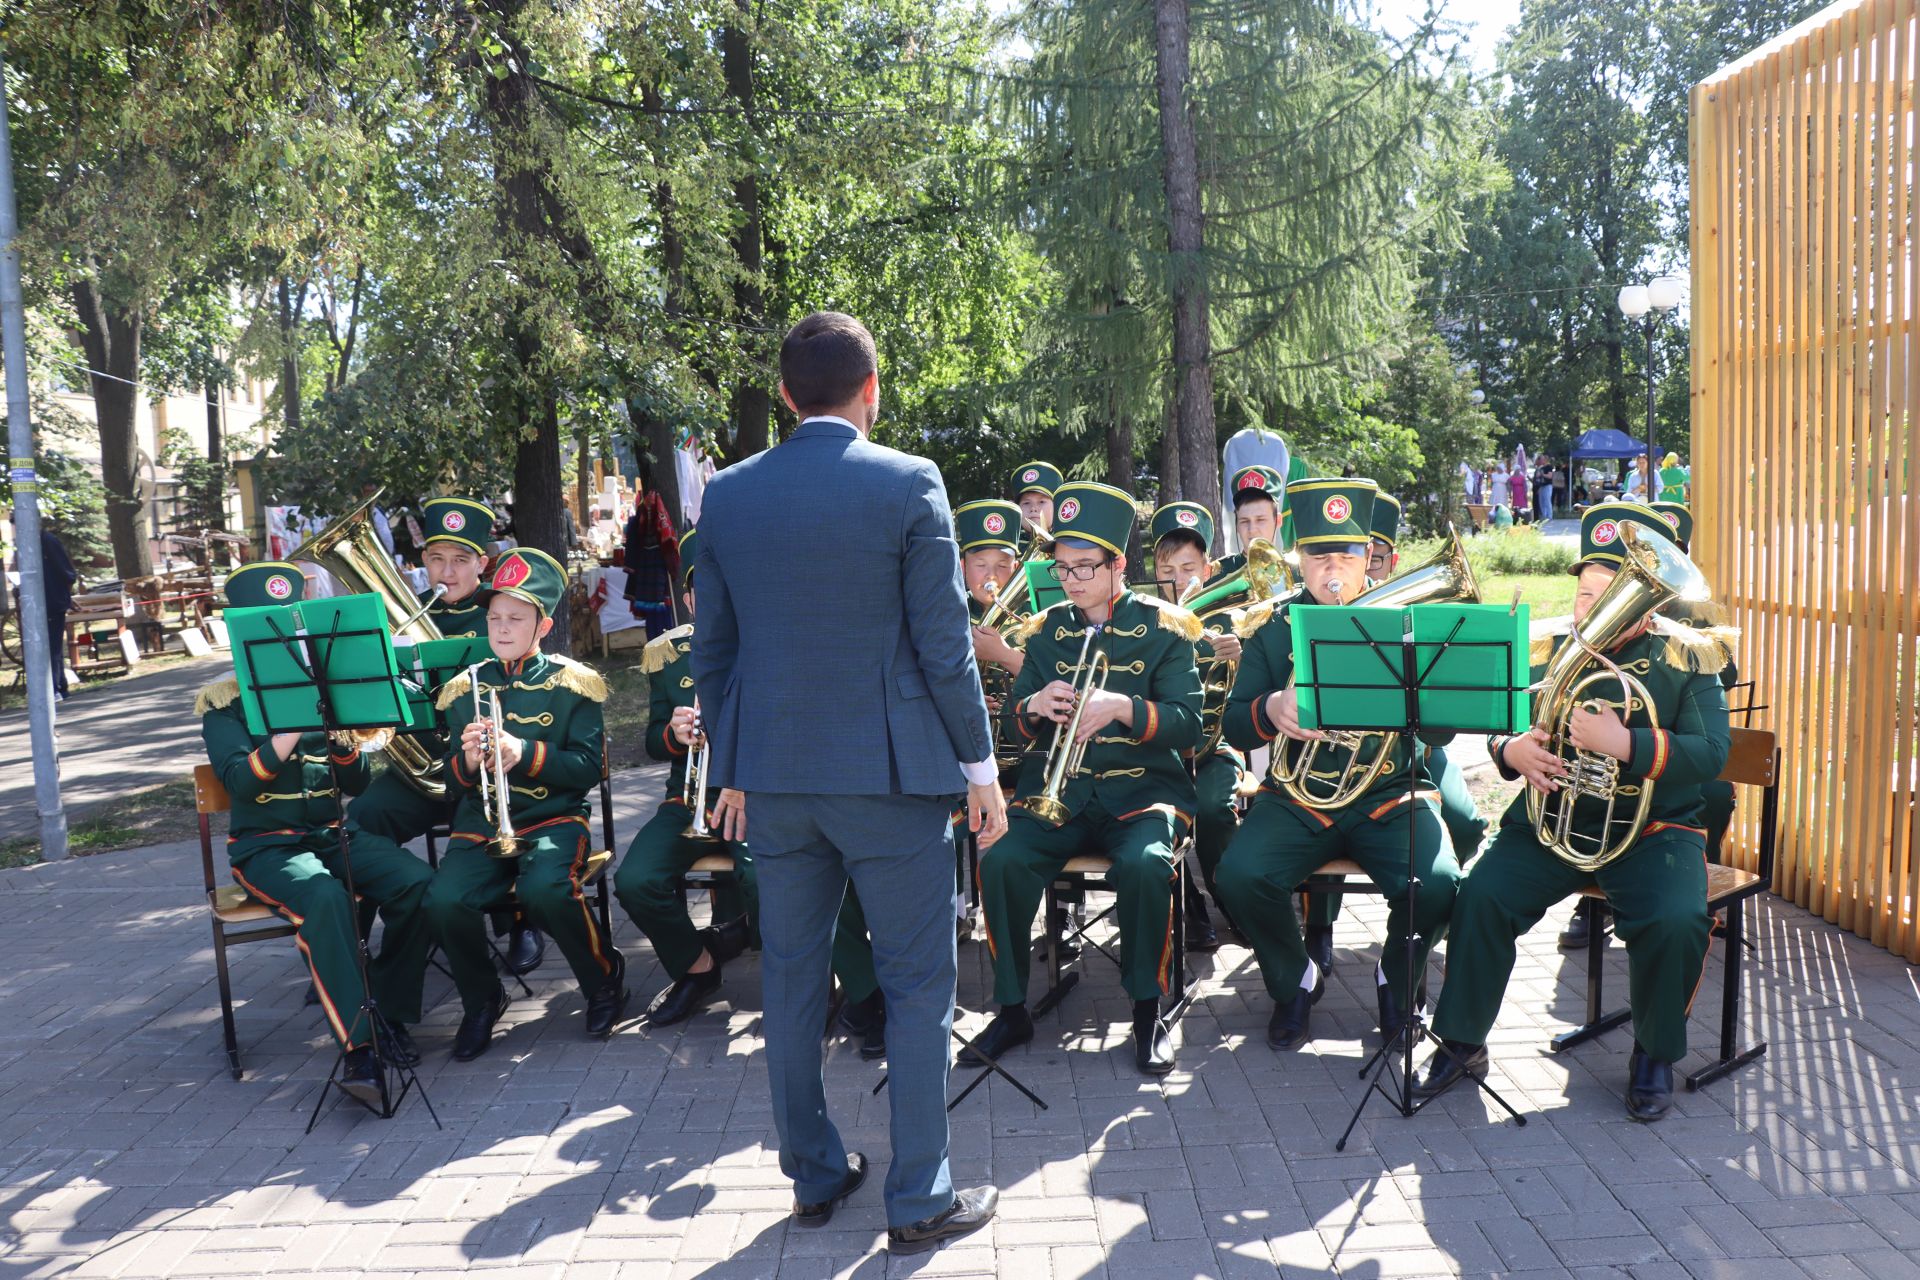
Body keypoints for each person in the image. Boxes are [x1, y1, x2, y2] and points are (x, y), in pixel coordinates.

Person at [691, 311, 1004, 1253]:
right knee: (917, 987)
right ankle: (920, 1199)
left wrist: (736, 768)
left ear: (786, 398)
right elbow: (947, 648)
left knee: (788, 981)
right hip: (891, 779)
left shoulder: (730, 495)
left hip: (779, 780)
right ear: (873, 390)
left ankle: (816, 1177)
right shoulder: (910, 481)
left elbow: (714, 655)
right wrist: (979, 767)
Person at [1416, 504, 1732, 1121]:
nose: (1588, 608)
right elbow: (1495, 722)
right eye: (1584, 592)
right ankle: (1460, 1041)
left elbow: (1713, 752)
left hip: (1652, 828)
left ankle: (1653, 1055)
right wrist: (1511, 751)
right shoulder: (1554, 645)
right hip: (1551, 819)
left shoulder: (1689, 655)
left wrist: (1626, 745)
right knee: (1481, 896)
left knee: (1675, 919)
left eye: (1606, 594)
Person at [1212, 479, 1463, 1052]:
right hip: (1298, 797)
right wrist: (1273, 707)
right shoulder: (1272, 624)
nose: (1332, 569)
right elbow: (1233, 722)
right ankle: (1294, 978)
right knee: (1239, 875)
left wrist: (1422, 697)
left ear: (1365, 558)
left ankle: (1397, 978)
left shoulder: (1409, 619)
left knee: (1443, 883)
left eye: (1345, 556)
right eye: (1318, 555)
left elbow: (1443, 731)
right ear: (1298, 557)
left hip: (1389, 792)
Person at [966, 481, 1203, 1077]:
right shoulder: (1046, 632)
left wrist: (1124, 707)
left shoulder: (1168, 629)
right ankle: (1013, 1006)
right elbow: (1017, 726)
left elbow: (1190, 726)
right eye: (1063, 568)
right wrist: (1037, 705)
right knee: (1000, 858)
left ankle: (1146, 1009)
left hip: (1143, 796)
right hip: (1061, 796)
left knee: (1147, 865)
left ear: (1118, 564)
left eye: (1084, 568)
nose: (1070, 581)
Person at [199, 562, 435, 1100]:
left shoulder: (327, 688)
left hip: (332, 836)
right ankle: (360, 1049)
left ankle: (390, 1012)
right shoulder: (223, 704)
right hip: (266, 848)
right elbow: (241, 783)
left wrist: (337, 733)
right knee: (327, 898)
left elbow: (354, 780)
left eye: (291, 628)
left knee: (419, 887)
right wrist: (287, 730)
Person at [424, 548, 625, 1058]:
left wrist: (525, 752)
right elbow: (449, 783)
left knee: (546, 892)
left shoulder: (572, 683)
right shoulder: (462, 688)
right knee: (444, 902)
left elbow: (588, 768)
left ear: (544, 625)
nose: (503, 627)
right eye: (494, 617)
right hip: (482, 826)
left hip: (553, 820)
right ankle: (481, 999)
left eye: (516, 618)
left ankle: (602, 981)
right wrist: (469, 762)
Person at [348, 497, 546, 977]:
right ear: (421, 561)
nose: (447, 572)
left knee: (502, 806)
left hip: (485, 766)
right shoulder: (401, 621)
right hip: (426, 767)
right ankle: (355, 940)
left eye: (461, 560)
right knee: (362, 818)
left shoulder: (501, 615)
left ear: (482, 563)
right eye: (437, 558)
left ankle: (519, 921)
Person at [1148, 500, 1245, 952]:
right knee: (1155, 816)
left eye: (1189, 567)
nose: (1178, 580)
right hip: (1157, 753)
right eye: (1167, 570)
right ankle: (1188, 908)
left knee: (1213, 809)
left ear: (1207, 570)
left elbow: (1251, 697)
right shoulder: (1143, 620)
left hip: (1212, 750)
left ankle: (1233, 903)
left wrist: (1240, 657)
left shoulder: (1232, 620)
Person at [624, 479, 681, 639]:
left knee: (659, 618)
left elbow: (667, 539)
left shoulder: (641, 521)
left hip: (655, 571)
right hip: (652, 570)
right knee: (656, 620)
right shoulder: (639, 522)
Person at [38, 522, 79, 698]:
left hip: (52, 602)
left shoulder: (48, 541)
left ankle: (54, 689)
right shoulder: (30, 543)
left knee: (52, 648)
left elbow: (68, 574)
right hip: (43, 603)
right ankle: (60, 686)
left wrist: (65, 597)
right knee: (50, 648)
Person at [1229, 464, 1285, 551]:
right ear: (1236, 525)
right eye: (1244, 521)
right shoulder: (1220, 565)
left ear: (1278, 520)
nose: (1252, 530)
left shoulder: (1290, 565)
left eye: (1260, 520)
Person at [1011, 461, 1061, 546]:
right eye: (1026, 503)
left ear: (1056, 507)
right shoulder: (1008, 549)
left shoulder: (1067, 545)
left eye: (1041, 502)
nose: (1033, 508)